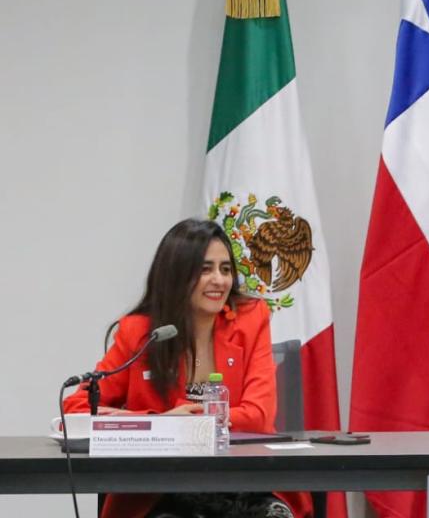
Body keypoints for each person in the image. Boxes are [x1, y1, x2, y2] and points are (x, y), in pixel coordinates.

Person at [62, 218, 309, 518]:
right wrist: (159, 423)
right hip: (163, 488)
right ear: (176, 275)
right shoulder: (139, 333)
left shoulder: (250, 318)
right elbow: (76, 410)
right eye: (205, 269)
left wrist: (183, 425)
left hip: (245, 481)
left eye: (225, 269)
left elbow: (258, 417)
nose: (219, 280)